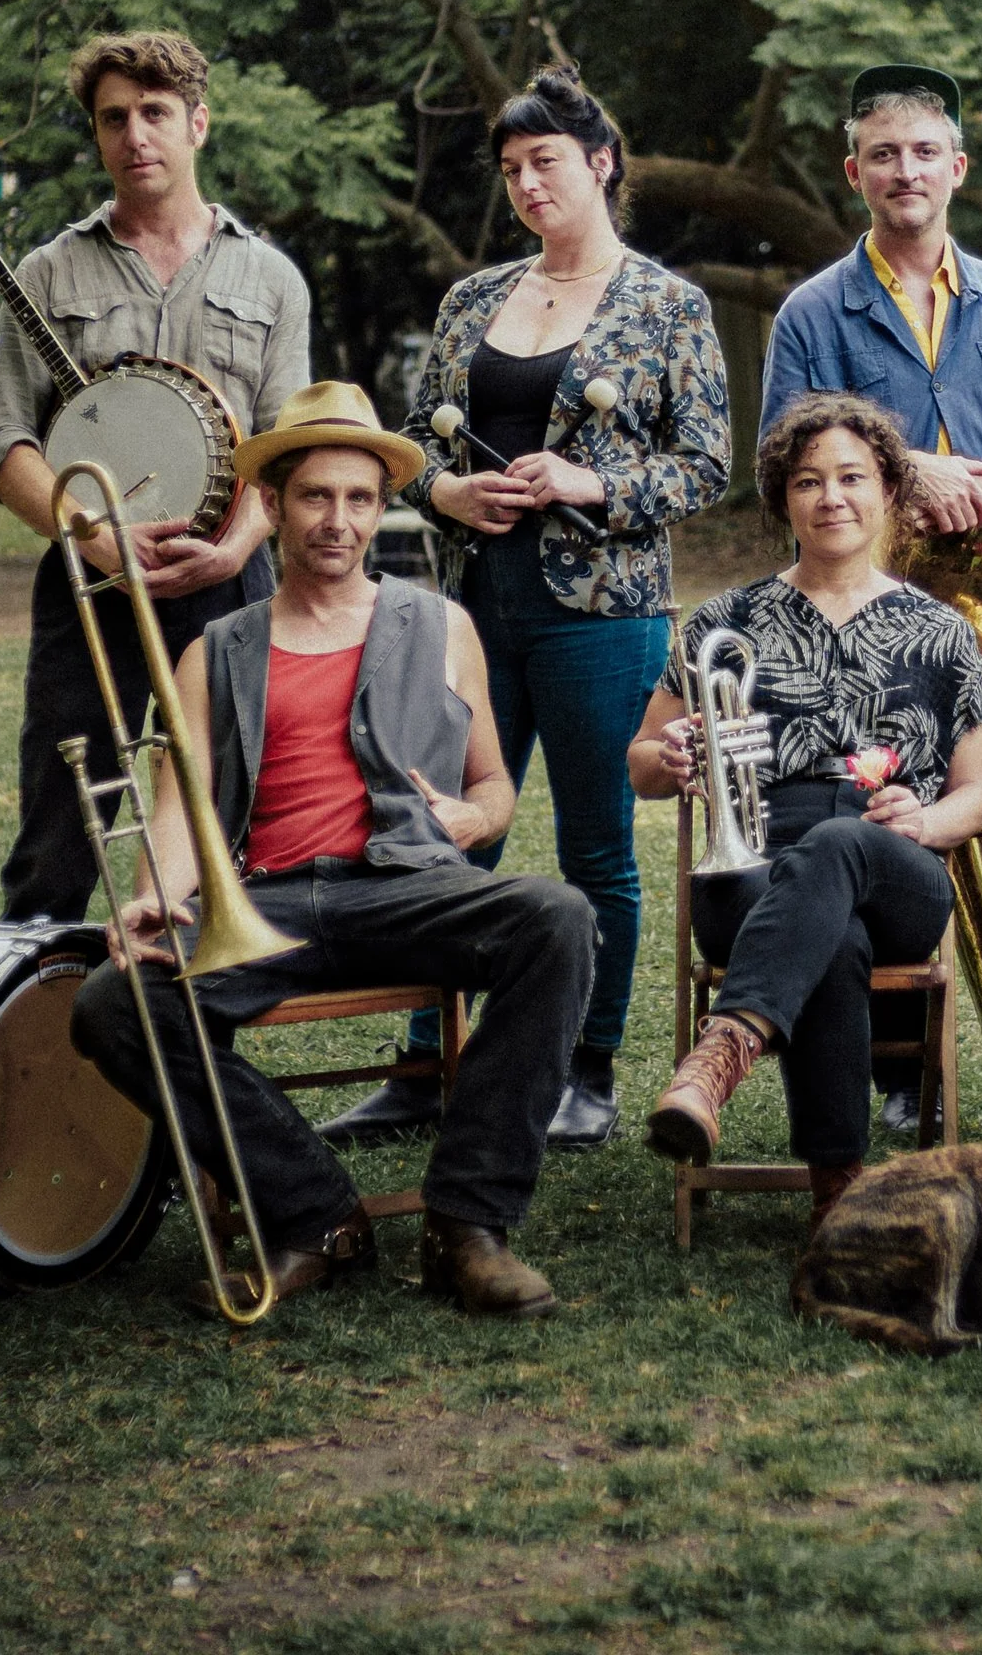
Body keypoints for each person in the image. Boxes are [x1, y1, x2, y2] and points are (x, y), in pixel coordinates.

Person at [69, 383, 595, 1319]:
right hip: (264, 902)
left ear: (380, 506)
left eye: (359, 499)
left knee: (556, 918)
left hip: (403, 887)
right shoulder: (214, 650)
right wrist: (152, 897)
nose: (338, 521)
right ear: (271, 506)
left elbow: (493, 787)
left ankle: (465, 1225)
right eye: (316, 497)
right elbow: (182, 813)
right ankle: (315, 1214)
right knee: (115, 1002)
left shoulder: (442, 626)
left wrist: (475, 822)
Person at [316, 68, 732, 1153]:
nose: (526, 183)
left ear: (601, 162)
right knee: (440, 830)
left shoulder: (667, 304)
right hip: (468, 610)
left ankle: (581, 1069)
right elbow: (411, 446)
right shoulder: (471, 299)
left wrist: (584, 483)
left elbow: (706, 465)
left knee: (599, 850)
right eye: (510, 169)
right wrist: (445, 491)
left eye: (544, 160)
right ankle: (422, 1058)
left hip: (602, 612)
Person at [757, 63, 982, 1139]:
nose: (907, 171)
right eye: (884, 153)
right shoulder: (813, 310)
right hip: (869, 634)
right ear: (855, 172)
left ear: (958, 167)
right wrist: (910, 472)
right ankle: (904, 1072)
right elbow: (785, 462)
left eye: (924, 152)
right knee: (885, 829)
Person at [0, 29, 310, 925]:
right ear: (96, 136)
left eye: (155, 113)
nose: (135, 135)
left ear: (198, 123)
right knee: (61, 823)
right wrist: (91, 531)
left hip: (228, 579)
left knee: (222, 817)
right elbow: (0, 443)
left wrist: (236, 548)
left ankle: (202, 1044)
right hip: (92, 582)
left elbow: (289, 446)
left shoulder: (270, 279)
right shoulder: (46, 271)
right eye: (114, 118)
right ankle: (34, 1045)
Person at [634, 393, 982, 1225]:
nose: (831, 497)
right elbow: (642, 768)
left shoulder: (942, 631)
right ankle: (839, 1195)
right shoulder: (725, 620)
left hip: (895, 855)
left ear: (889, 494)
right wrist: (672, 755)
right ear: (782, 500)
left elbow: (977, 788)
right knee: (833, 932)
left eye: (852, 478)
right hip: (751, 864)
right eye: (808, 481)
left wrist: (929, 822)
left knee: (840, 847)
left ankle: (721, 1054)